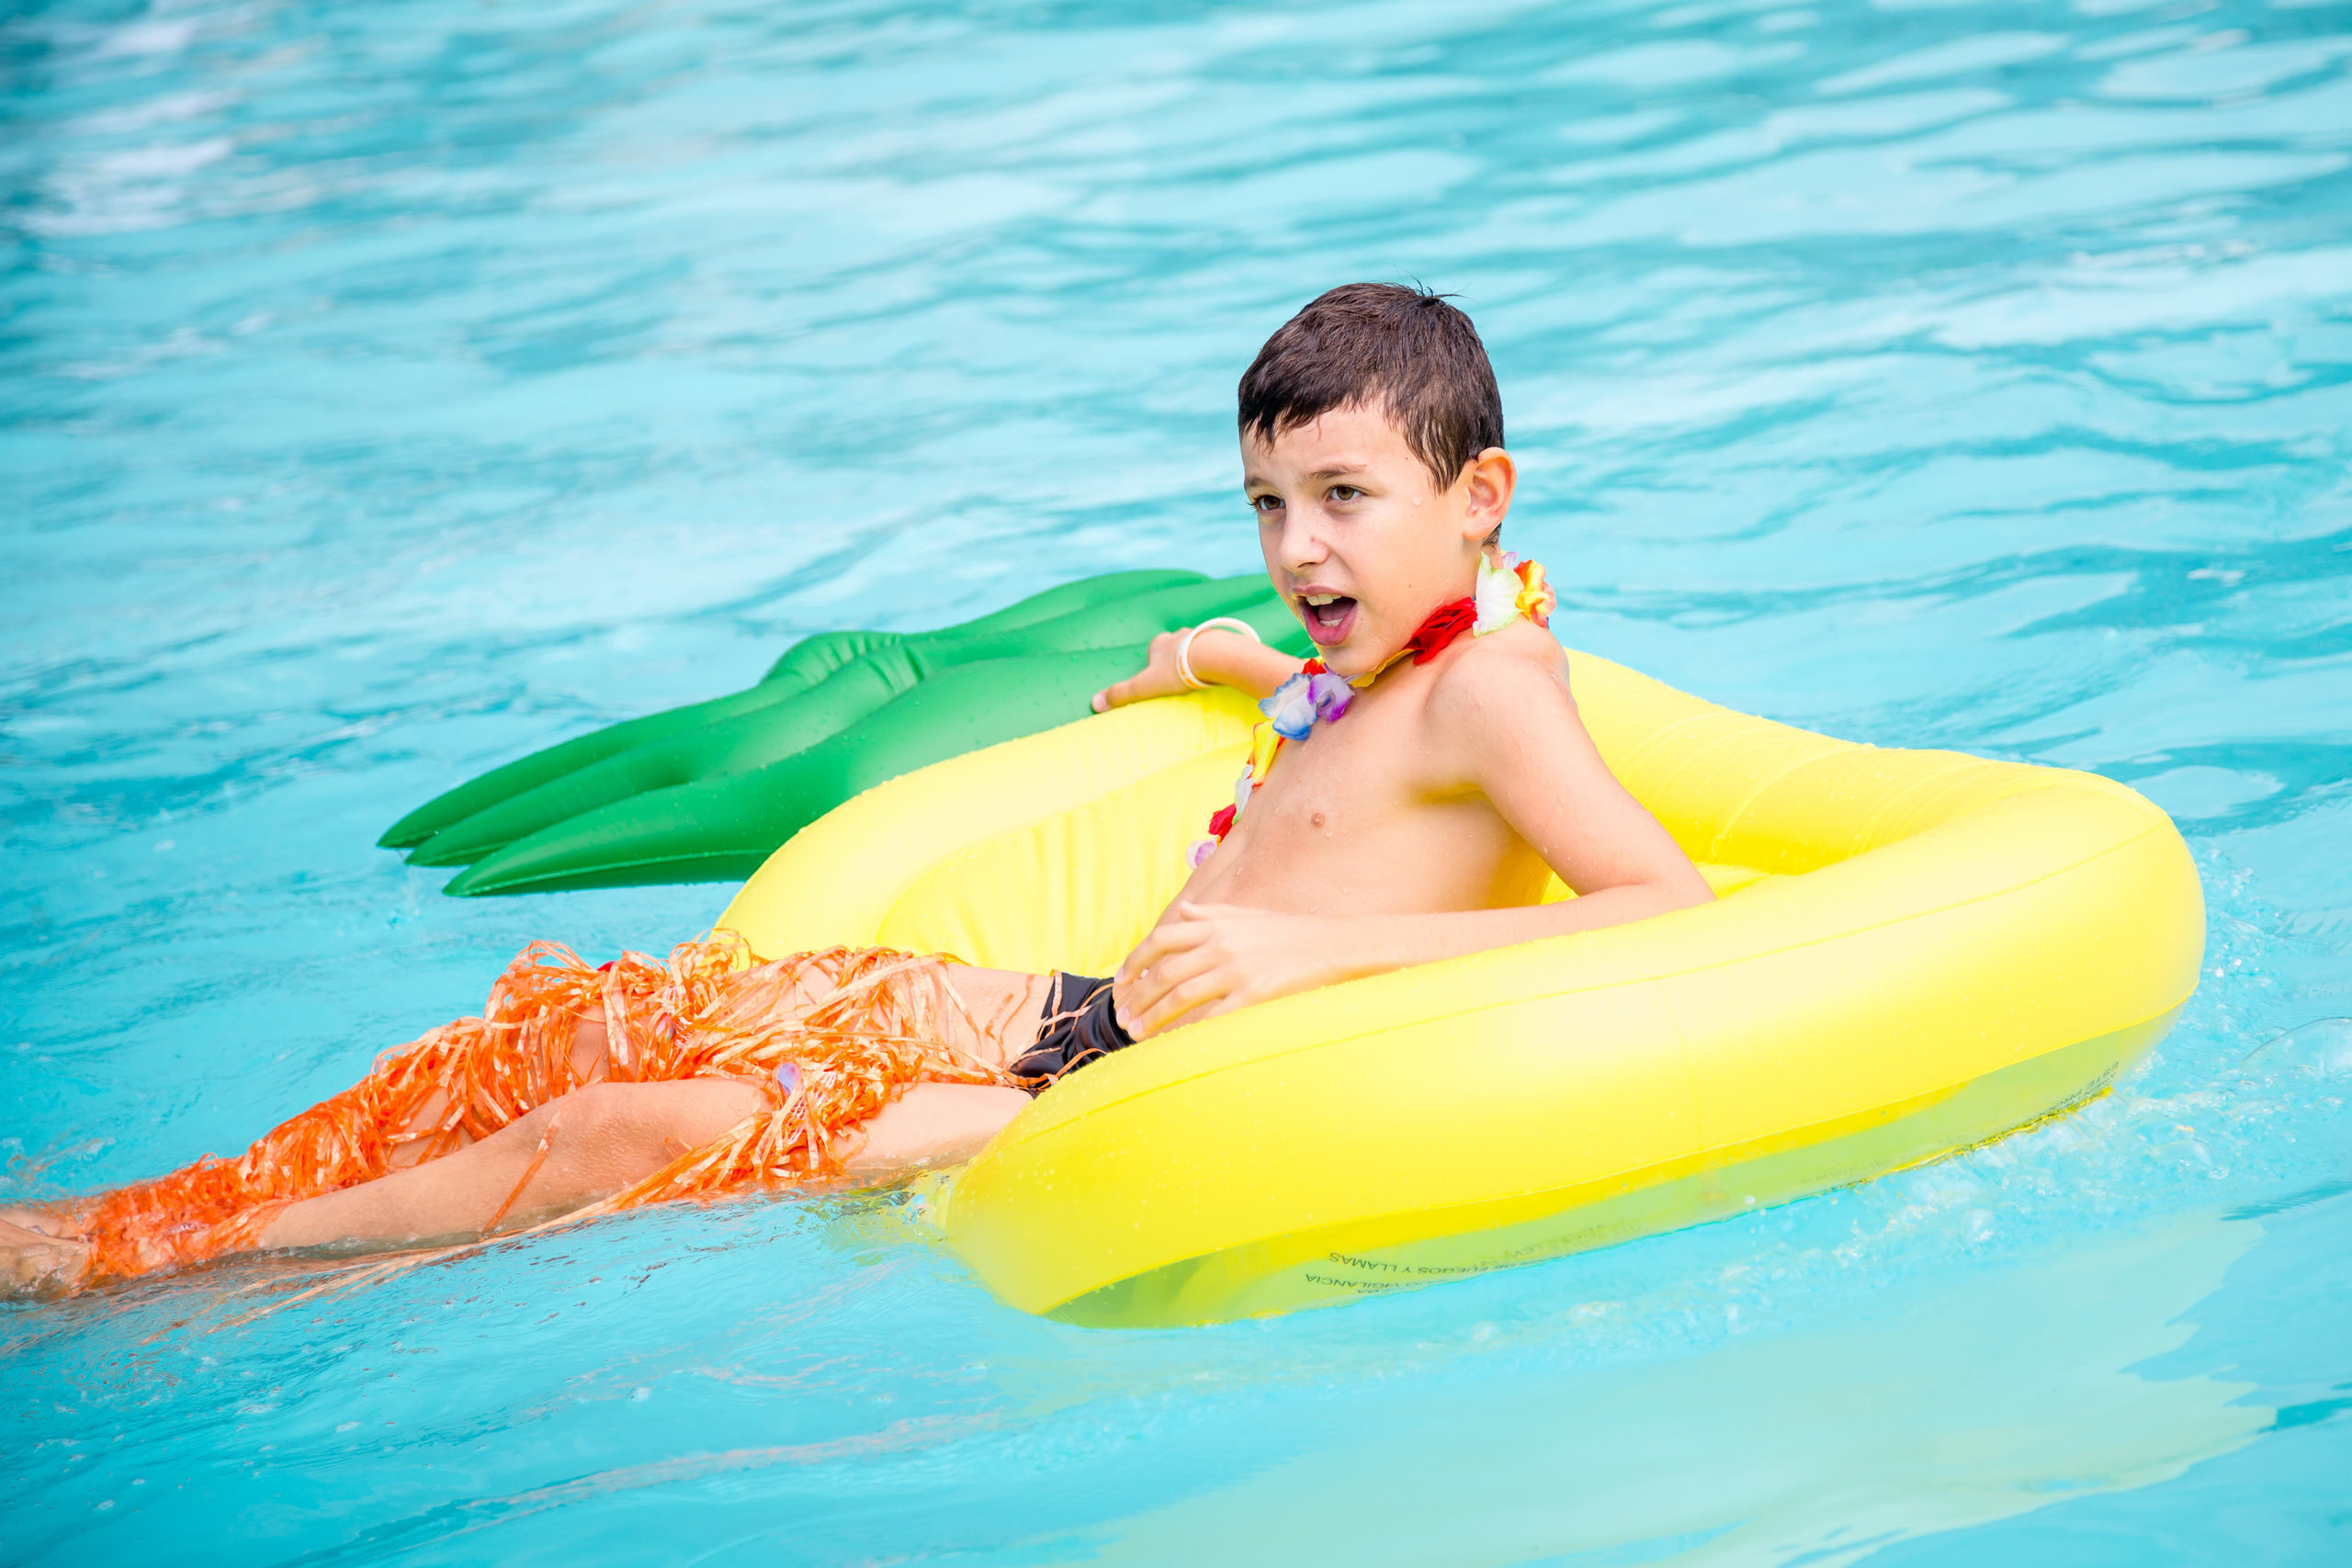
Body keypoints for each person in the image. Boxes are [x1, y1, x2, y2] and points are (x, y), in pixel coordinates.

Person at [1, 283, 1713, 1298]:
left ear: (1479, 495)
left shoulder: (1498, 682)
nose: (1298, 546)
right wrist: (1213, 661)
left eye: (1343, 495)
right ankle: (179, 1201)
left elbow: (1663, 910)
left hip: (1121, 1103)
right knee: (608, 1022)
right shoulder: (1376, 667)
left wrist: (1306, 962)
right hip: (1075, 1013)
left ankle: (155, 1273)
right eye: (1269, 504)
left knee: (620, 1131)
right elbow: (1321, 710)